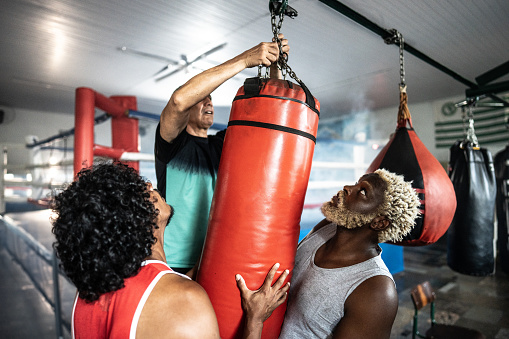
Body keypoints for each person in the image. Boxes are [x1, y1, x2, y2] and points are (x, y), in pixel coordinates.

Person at [51, 162, 290, 339]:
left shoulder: (87, 293)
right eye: (140, 190)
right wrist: (255, 320)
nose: (149, 184)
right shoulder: (185, 300)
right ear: (136, 218)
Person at [155, 36, 289, 273]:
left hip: (215, 259)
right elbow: (178, 101)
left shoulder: (222, 145)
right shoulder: (172, 144)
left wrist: (275, 68)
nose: (209, 102)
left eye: (211, 99)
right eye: (201, 99)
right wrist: (246, 59)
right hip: (175, 263)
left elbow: (268, 117)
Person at [279, 168, 421, 339]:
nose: (347, 187)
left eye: (363, 191)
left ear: (379, 222)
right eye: (356, 183)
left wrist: (255, 322)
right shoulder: (326, 227)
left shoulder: (376, 291)